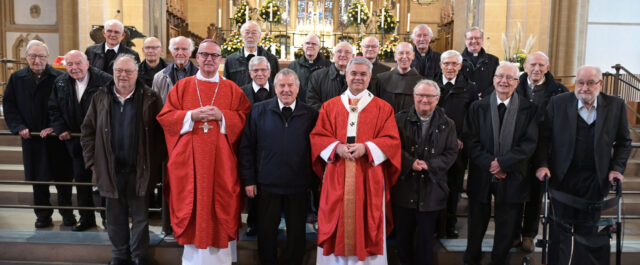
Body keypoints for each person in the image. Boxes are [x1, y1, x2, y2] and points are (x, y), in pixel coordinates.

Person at [157, 39, 251, 264]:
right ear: (196, 57)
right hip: (190, 164)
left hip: (222, 165)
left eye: (214, 56)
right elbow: (166, 118)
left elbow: (246, 118)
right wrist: (191, 116)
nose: (209, 59)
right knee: (194, 203)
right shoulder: (182, 86)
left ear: (221, 60)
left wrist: (223, 117)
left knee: (222, 204)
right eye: (204, 55)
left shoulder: (231, 88)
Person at [535, 66, 631, 265]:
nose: (584, 87)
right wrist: (543, 165)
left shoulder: (616, 105)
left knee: (587, 236)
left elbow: (624, 142)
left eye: (590, 83)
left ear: (600, 84)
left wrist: (617, 169)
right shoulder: (558, 103)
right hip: (562, 180)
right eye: (580, 82)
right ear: (575, 83)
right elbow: (543, 139)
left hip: (595, 181)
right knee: (558, 236)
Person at [310, 57, 401, 264]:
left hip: (369, 175)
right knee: (334, 219)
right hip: (337, 174)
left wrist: (366, 147)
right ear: (346, 75)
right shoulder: (329, 107)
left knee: (369, 221)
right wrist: (337, 147)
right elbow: (318, 137)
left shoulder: (383, 108)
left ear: (370, 77)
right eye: (353, 73)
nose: (357, 78)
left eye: (363, 74)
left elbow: (392, 140)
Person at [80, 54, 165, 265]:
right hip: (110, 170)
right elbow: (87, 131)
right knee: (115, 219)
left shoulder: (151, 98)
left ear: (137, 74)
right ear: (113, 72)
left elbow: (161, 136)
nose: (123, 75)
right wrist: (92, 162)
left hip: (140, 170)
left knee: (141, 218)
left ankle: (139, 256)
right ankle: (120, 255)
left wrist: (153, 165)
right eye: (119, 71)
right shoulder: (100, 97)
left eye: (128, 71)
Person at [239, 69, 318, 265]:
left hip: (298, 185)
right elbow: (247, 147)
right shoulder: (258, 110)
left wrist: (314, 183)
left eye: (291, 85)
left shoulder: (310, 114)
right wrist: (249, 180)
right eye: (282, 85)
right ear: (274, 88)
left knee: (297, 233)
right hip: (267, 184)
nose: (286, 90)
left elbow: (316, 150)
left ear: (298, 88)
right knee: (266, 232)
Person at [462, 62, 538, 265]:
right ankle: (472, 259)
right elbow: (470, 140)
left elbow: (529, 143)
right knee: (476, 223)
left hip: (513, 174)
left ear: (517, 82)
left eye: (509, 78)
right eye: (500, 76)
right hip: (482, 173)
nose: (504, 81)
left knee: (507, 226)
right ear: (493, 79)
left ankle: (499, 260)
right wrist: (491, 164)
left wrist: (504, 164)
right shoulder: (478, 107)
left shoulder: (529, 109)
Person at [3, 40, 74, 228]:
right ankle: (43, 215)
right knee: (38, 180)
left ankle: (67, 214)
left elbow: (66, 106)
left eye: (41, 56)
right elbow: (9, 104)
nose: (37, 60)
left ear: (47, 57)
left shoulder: (59, 76)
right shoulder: (17, 78)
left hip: (55, 138)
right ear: (26, 57)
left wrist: (55, 126)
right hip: (31, 136)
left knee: (63, 179)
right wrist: (19, 126)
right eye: (33, 56)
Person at [393, 80, 458, 265]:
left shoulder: (448, 124)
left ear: (437, 99)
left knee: (425, 242)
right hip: (405, 189)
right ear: (413, 97)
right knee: (403, 240)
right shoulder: (399, 119)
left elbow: (451, 152)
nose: (424, 100)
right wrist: (410, 162)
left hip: (432, 190)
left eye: (429, 96)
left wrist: (429, 165)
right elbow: (392, 147)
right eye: (420, 95)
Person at [49, 50, 112, 231]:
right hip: (75, 141)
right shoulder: (60, 82)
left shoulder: (105, 80)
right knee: (82, 182)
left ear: (87, 63)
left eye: (78, 63)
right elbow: (53, 108)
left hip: (101, 141)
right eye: (70, 64)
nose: (74, 68)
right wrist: (61, 129)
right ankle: (86, 218)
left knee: (104, 182)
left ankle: (108, 219)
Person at [512, 51, 568, 252]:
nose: (536, 69)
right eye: (532, 64)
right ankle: (513, 233)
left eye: (541, 65)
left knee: (536, 195)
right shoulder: (513, 84)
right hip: (517, 149)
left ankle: (528, 235)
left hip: (543, 150)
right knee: (515, 193)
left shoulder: (559, 90)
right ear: (525, 66)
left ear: (548, 67)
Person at [433, 50, 478, 239]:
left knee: (454, 186)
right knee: (434, 184)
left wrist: (460, 137)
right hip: (433, 144)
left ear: (460, 66)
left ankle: (449, 224)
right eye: (446, 63)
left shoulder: (470, 88)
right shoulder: (431, 83)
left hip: (458, 147)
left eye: (454, 64)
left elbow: (472, 118)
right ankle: (434, 224)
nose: (450, 67)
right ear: (440, 65)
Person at [238, 55, 276, 237]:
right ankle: (252, 222)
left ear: (269, 72)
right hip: (250, 145)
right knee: (252, 187)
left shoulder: (279, 90)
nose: (260, 74)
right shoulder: (241, 92)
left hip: (274, 147)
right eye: (256, 70)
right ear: (250, 73)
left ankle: (274, 222)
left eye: (263, 70)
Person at [224, 20, 279, 87]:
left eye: (254, 33)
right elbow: (226, 86)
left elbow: (276, 85)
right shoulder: (231, 60)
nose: (250, 36)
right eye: (247, 32)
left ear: (259, 36)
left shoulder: (271, 59)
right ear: (241, 36)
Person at [372, 42, 423, 113]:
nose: (404, 56)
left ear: (413, 56)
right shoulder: (381, 79)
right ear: (395, 56)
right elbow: (375, 106)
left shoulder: (422, 82)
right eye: (401, 53)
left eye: (408, 53)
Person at [306, 41, 354, 110]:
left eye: (347, 52)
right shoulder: (317, 76)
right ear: (333, 55)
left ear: (353, 56)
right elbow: (312, 102)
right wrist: (328, 116)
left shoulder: (357, 78)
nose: (343, 55)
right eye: (339, 51)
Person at [152, 36, 199, 103]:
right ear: (172, 52)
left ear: (190, 52)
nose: (180, 53)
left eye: (184, 49)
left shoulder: (201, 76)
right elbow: (154, 107)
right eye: (176, 49)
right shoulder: (159, 77)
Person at [287, 34, 331, 103]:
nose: (310, 46)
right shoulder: (293, 66)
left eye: (314, 44)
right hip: (300, 108)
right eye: (307, 43)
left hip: (320, 109)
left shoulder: (328, 66)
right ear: (303, 46)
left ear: (319, 47)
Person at [461, 27, 499, 98]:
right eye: (470, 38)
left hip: (486, 100)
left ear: (482, 40)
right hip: (464, 99)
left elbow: (497, 81)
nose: (474, 41)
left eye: (477, 38)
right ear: (465, 40)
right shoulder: (457, 60)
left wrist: (485, 94)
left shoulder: (493, 60)